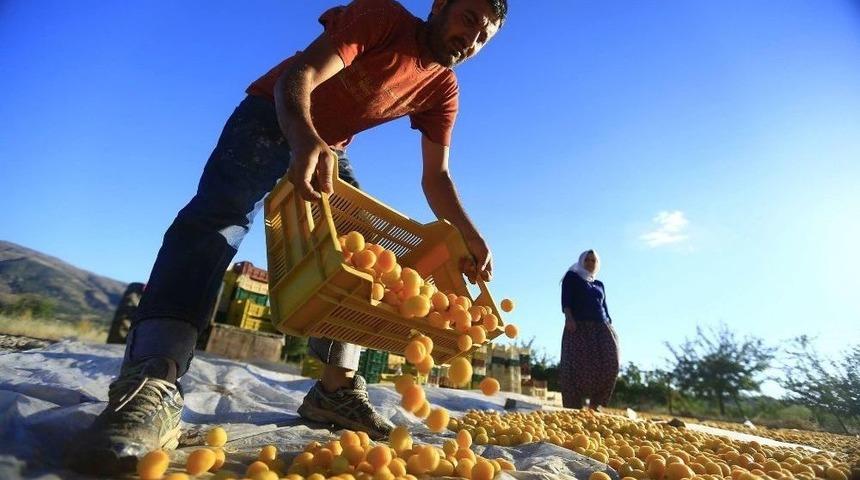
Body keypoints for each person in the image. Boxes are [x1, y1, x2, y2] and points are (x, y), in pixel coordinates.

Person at [69, 0, 507, 473]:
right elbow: (296, 76)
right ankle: (154, 376)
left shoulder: (443, 86)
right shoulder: (384, 20)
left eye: (484, 36)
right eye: (468, 20)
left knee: (359, 256)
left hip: (329, 147)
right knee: (217, 221)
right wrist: (302, 138)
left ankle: (335, 390)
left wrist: (469, 234)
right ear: (440, 6)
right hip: (272, 115)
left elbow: (436, 177)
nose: (472, 38)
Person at [559, 250, 620, 409]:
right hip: (578, 326)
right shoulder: (572, 277)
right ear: (581, 261)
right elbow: (566, 299)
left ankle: (596, 406)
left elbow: (604, 307)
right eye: (587, 260)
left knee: (611, 362)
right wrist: (568, 317)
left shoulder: (599, 284)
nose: (590, 263)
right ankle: (574, 407)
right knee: (575, 366)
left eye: (594, 261)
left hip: (601, 327)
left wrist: (610, 325)